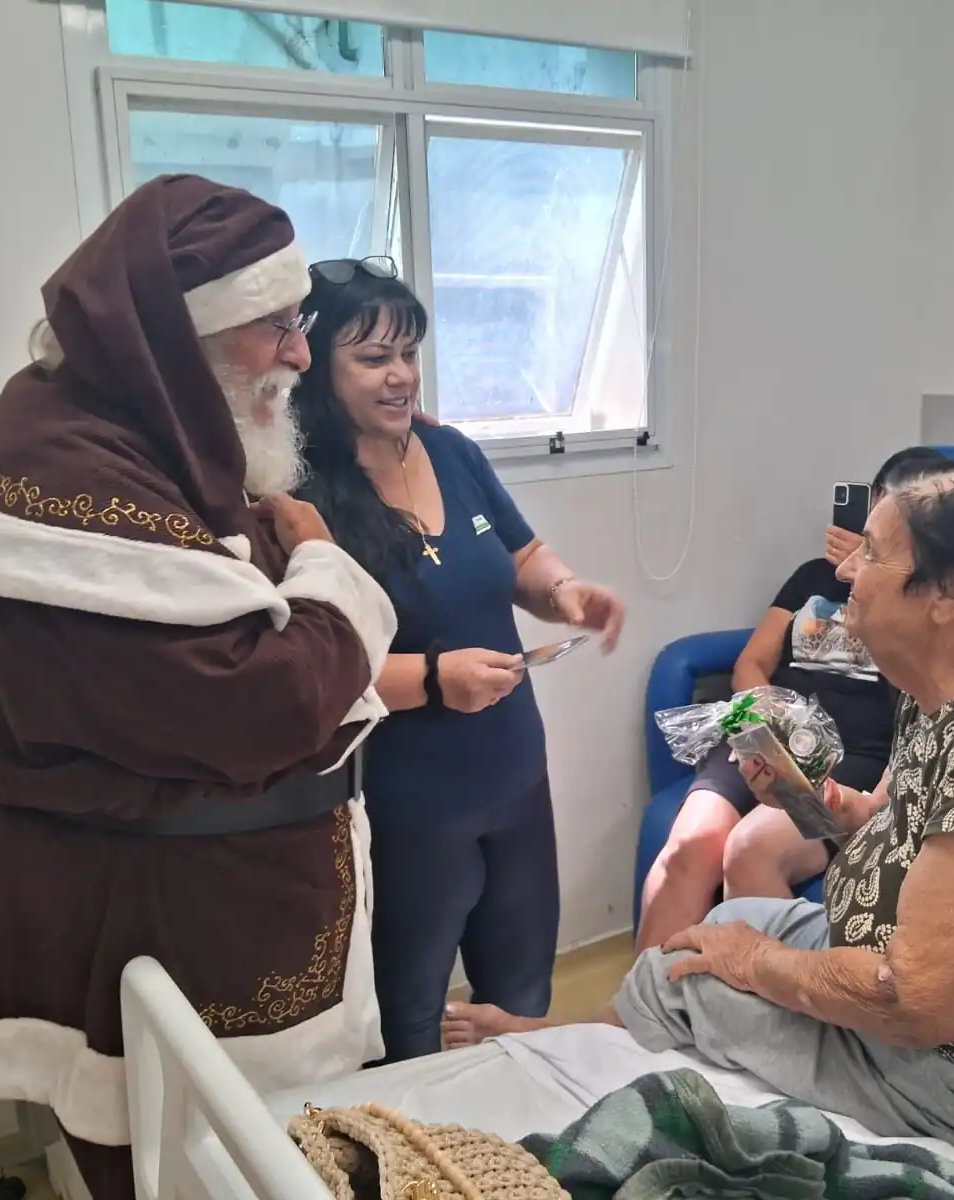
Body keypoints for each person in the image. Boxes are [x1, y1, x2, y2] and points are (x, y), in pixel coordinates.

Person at [0, 176, 398, 1200]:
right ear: (183, 339)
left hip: (186, 911)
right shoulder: (69, 476)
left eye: (298, 321)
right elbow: (265, 707)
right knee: (180, 1174)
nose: (300, 354)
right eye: (275, 327)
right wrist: (321, 560)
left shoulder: (146, 429)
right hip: (155, 923)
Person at [444, 464, 954, 1163]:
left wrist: (757, 964)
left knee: (684, 980)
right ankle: (588, 1039)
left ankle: (572, 1087)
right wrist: (818, 802)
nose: (847, 574)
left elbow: (926, 1003)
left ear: (949, 592)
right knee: (712, 928)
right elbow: (894, 825)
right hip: (913, 989)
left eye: (872, 552)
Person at [291, 258, 626, 1062]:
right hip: (408, 803)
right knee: (409, 1016)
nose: (402, 376)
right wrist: (437, 680)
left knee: (521, 997)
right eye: (373, 359)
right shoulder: (300, 496)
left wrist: (568, 591)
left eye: (409, 353)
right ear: (316, 370)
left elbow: (523, 557)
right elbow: (311, 673)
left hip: (514, 774)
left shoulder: (453, 453)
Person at [636, 447, 949, 951]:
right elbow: (750, 662)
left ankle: (761, 1018)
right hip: (770, 732)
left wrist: (878, 573)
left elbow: (920, 701)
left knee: (752, 846)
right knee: (689, 846)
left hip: (851, 757)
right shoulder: (811, 577)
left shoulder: (922, 606)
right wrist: (766, 713)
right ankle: (642, 1015)